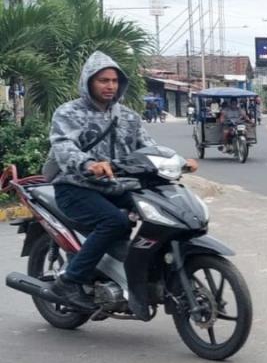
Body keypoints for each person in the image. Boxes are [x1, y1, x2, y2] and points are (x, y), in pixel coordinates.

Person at [47, 51, 199, 312]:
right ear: (88, 82)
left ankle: (141, 272)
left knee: (167, 212)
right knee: (114, 221)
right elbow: (62, 146)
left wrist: (178, 160)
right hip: (75, 186)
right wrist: (88, 164)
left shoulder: (128, 116)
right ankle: (70, 281)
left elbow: (148, 147)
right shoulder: (69, 113)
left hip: (118, 185)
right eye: (103, 80)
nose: (110, 86)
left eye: (114, 81)